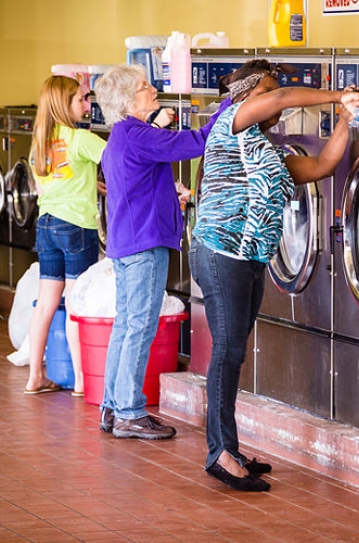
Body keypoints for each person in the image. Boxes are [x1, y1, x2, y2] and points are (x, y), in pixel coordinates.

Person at [190, 59, 359, 492]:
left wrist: (346, 119)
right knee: (227, 352)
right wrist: (338, 95)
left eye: (276, 91)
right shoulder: (230, 123)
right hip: (221, 254)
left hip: (249, 260)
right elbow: (284, 98)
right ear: (250, 95)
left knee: (233, 353)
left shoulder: (268, 151)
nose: (279, 100)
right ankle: (220, 454)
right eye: (269, 91)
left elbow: (324, 165)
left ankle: (227, 447)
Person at [93, 64, 231, 440]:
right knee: (139, 326)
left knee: (126, 326)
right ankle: (129, 414)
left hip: (127, 243)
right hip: (144, 244)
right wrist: (232, 103)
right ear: (127, 102)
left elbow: (144, 177)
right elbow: (198, 142)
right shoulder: (138, 135)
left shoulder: (122, 137)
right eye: (144, 87)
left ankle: (113, 405)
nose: (152, 89)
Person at [24, 75, 106, 396]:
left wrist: (90, 184)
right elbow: (121, 158)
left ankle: (35, 377)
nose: (86, 105)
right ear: (63, 104)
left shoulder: (40, 143)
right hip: (76, 227)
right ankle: (82, 382)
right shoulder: (80, 139)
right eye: (81, 100)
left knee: (45, 305)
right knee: (75, 304)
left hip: (46, 225)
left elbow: (49, 186)